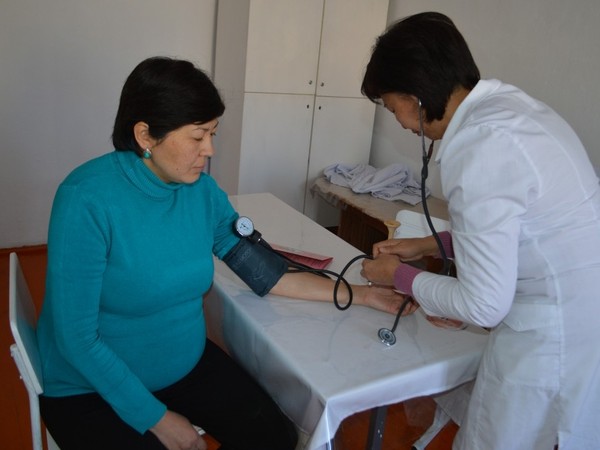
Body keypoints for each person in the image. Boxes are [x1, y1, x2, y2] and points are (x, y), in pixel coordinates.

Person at [36, 56, 412, 450]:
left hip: (181, 366)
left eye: (213, 134)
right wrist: (156, 418)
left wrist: (363, 295)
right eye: (198, 137)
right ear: (145, 135)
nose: (210, 150)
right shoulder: (86, 200)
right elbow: (76, 339)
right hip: (91, 387)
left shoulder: (201, 193)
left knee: (274, 437)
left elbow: (266, 274)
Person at [360, 12, 600, 450]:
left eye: (393, 108)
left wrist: (398, 275)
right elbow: (521, 229)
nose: (401, 123)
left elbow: (484, 304)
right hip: (580, 312)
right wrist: (430, 245)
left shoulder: (479, 147)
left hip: (551, 337)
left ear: (414, 96)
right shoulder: (511, 109)